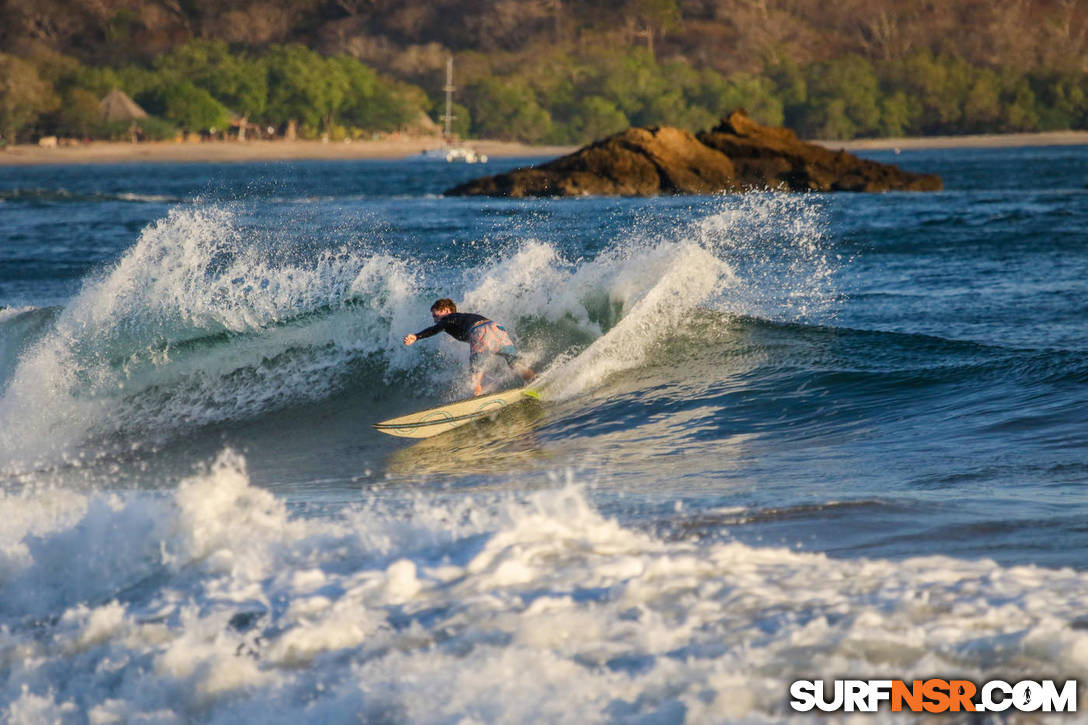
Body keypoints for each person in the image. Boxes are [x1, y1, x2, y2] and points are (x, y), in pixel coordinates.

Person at [403, 298, 536, 396]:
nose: (435, 320)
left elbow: (435, 329)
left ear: (447, 310)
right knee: (515, 364)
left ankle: (477, 401)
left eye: (436, 315)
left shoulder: (449, 318)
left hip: (481, 332)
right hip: (497, 328)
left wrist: (416, 336)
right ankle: (534, 382)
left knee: (474, 378)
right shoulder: (463, 318)